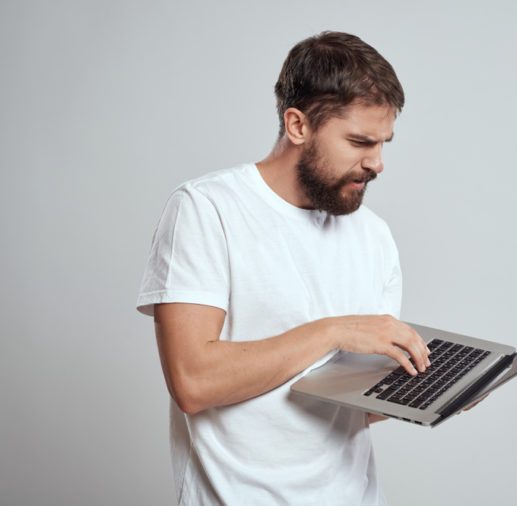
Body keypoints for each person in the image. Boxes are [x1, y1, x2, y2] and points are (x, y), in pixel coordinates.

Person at [136, 31, 431, 505]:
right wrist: (333, 331)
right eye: (359, 141)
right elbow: (193, 382)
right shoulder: (207, 209)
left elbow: (351, 408)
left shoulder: (374, 236)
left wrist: (435, 393)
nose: (376, 163)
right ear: (298, 126)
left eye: (383, 143)